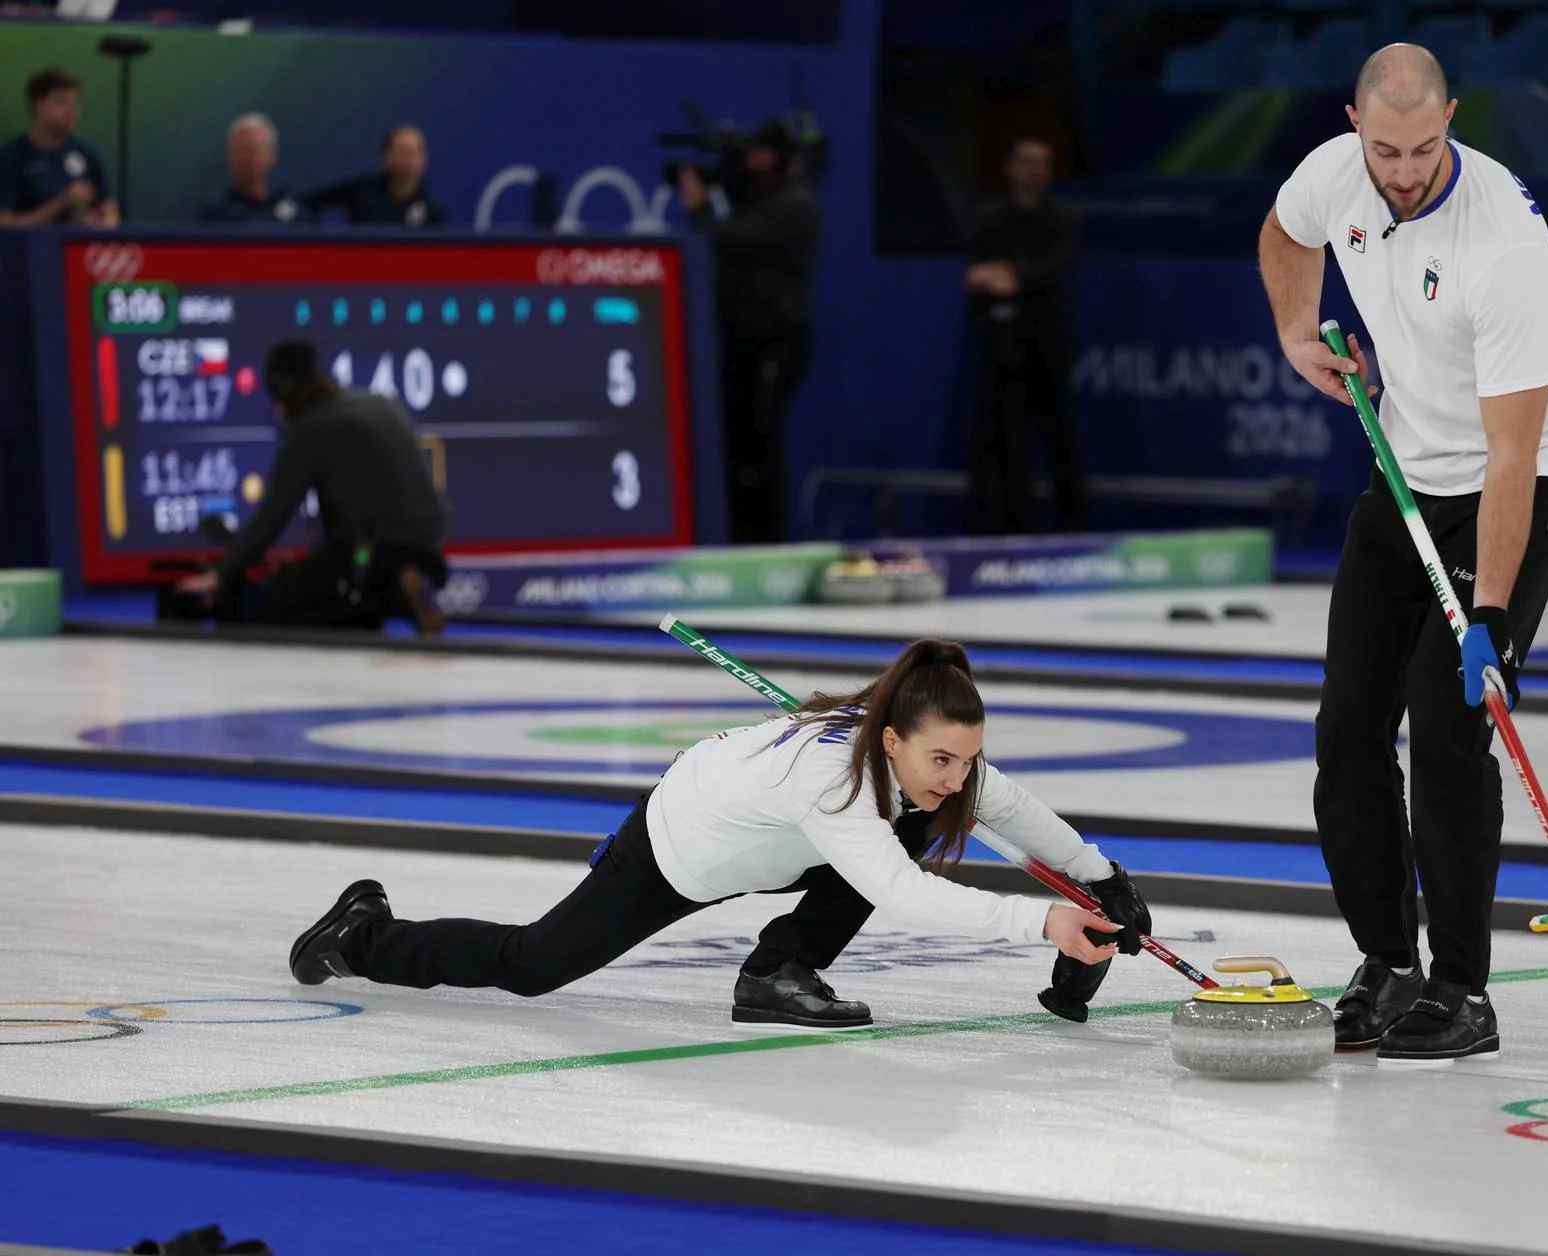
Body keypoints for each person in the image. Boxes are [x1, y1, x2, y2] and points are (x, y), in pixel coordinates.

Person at [288, 640, 1155, 1030]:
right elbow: (898, 892)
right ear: (891, 738)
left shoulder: (918, 756)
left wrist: (1100, 877)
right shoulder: (837, 778)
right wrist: (1044, 921)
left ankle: (779, 972)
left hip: (768, 834)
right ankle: (361, 935)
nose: (958, 775)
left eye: (968, 758)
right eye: (943, 758)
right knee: (533, 967)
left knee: (924, 817)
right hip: (680, 843)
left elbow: (1010, 806)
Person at [1257, 44, 1548, 1063]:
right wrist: (1298, 332)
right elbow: (1283, 232)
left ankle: (1462, 987)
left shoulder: (1505, 246)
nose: (1404, 169)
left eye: (1425, 145)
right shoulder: (1334, 171)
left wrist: (1490, 613)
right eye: (1386, 149)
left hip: (1506, 487)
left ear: (1452, 117)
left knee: (1446, 730)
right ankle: (1387, 961)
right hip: (1402, 475)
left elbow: (1515, 452)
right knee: (1347, 727)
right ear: (1356, 122)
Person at [162, 341, 447, 632]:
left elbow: (271, 518)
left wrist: (222, 574)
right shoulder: (379, 403)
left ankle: (390, 593)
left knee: (255, 603)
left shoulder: (312, 427)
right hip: (428, 555)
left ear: (285, 392)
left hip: (366, 560)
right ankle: (398, 590)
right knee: (343, 587)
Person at [676, 122, 819, 545]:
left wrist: (700, 207)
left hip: (777, 341)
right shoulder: (756, 198)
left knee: (763, 438)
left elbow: (727, 238)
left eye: (757, 152)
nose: (748, 160)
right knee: (739, 441)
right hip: (741, 340)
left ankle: (767, 540)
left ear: (775, 157)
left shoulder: (796, 205)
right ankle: (741, 534)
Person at [965, 137, 1084, 536]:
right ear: (1010, 167)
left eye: (1043, 163)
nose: (1034, 171)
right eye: (1027, 162)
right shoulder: (989, 219)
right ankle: (1004, 530)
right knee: (1003, 441)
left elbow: (1048, 268)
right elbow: (975, 275)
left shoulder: (1063, 218)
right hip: (1002, 347)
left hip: (1048, 344)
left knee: (1060, 440)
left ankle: (1072, 530)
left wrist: (1011, 275)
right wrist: (1003, 277)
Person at [0, 67, 120, 228]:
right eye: (61, 102)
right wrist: (61, 203)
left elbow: (110, 212)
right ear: (38, 105)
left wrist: (99, 224)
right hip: (28, 250)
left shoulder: (87, 154)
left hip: (77, 250)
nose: (71, 111)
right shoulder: (11, 157)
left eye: (75, 103)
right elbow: (5, 223)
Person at [305, 124, 449, 227]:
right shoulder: (361, 190)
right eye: (403, 152)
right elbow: (308, 204)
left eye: (415, 153)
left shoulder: (433, 213)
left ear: (424, 159)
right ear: (386, 156)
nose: (409, 160)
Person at [200, 113, 303, 224]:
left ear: (272, 155)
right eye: (243, 150)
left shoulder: (291, 207)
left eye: (257, 150)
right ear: (230, 156)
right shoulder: (214, 215)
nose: (250, 159)